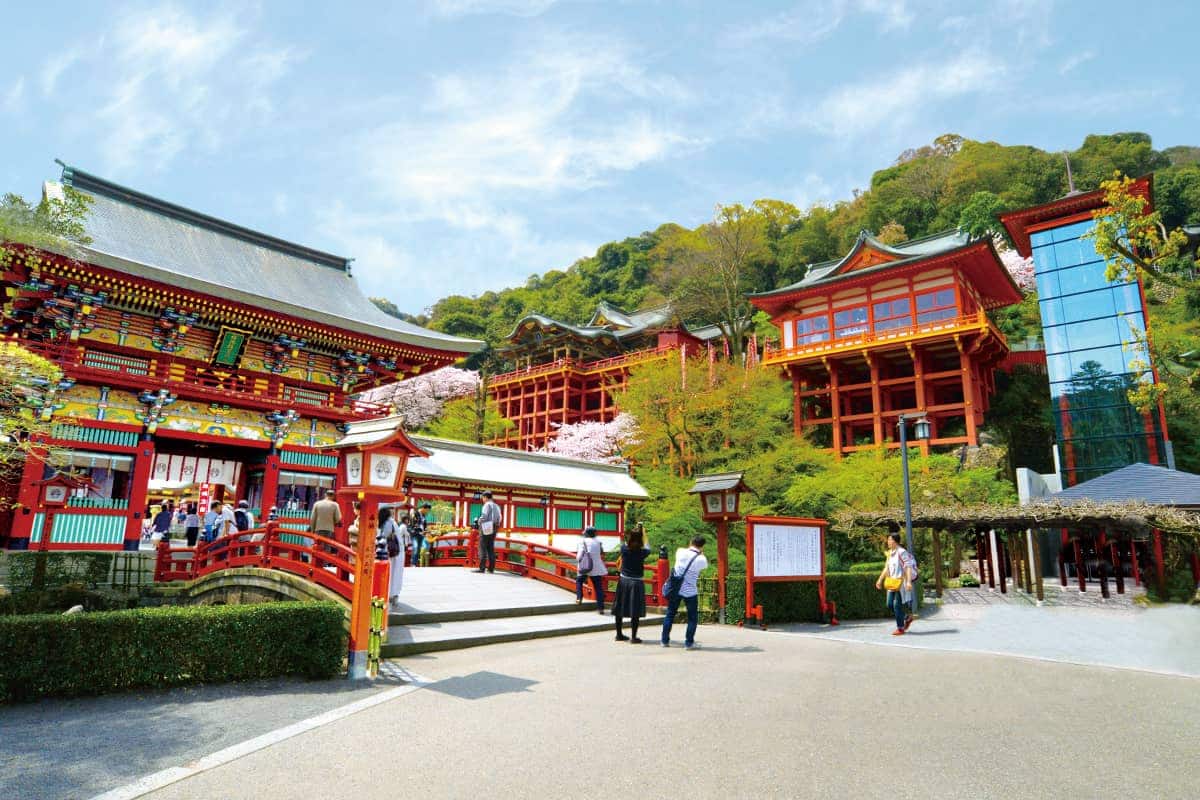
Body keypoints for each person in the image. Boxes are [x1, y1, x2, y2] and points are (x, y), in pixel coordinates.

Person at [661, 535, 709, 650]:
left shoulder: (680, 552)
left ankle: (664, 640)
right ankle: (688, 643)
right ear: (702, 546)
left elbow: (683, 552)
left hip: (676, 590)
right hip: (690, 591)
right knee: (692, 618)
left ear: (691, 542)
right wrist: (700, 553)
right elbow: (705, 566)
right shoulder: (701, 559)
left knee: (670, 614)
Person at [613, 524, 651, 642]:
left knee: (619, 607)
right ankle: (634, 637)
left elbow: (626, 541)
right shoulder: (643, 552)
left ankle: (619, 634)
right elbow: (647, 545)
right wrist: (643, 533)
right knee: (635, 610)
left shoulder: (624, 549)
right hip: (637, 583)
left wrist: (635, 530)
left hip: (624, 581)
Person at [876, 533, 915, 636]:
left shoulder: (902, 552)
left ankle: (900, 628)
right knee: (889, 604)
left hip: (900, 583)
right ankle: (907, 617)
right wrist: (880, 580)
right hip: (891, 582)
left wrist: (908, 582)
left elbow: (908, 566)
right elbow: (886, 568)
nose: (888, 542)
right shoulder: (889, 553)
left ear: (895, 541)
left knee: (896, 605)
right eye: (888, 540)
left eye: (890, 540)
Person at [378, 507, 411, 610]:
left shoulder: (387, 523)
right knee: (395, 574)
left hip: (391, 553)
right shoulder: (391, 522)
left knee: (391, 574)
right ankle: (393, 595)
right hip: (396, 552)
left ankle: (390, 595)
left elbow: (384, 536)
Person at [574, 527, 607, 614]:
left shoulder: (582, 542)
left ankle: (579, 598)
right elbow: (601, 554)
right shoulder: (598, 542)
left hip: (585, 566)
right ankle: (601, 608)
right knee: (598, 587)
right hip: (596, 568)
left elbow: (578, 557)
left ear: (586, 534)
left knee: (579, 581)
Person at [475, 490, 502, 574]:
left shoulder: (487, 505)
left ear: (486, 497)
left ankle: (482, 568)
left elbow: (484, 516)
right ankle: (491, 568)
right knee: (490, 547)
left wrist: (478, 522)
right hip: (495, 527)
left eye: (483, 497)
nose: (482, 499)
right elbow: (500, 518)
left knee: (482, 546)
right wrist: (496, 525)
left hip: (486, 526)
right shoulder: (497, 506)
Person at [410, 502, 431, 567]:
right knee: (415, 547)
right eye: (427, 510)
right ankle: (413, 564)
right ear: (423, 508)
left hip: (421, 534)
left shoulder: (424, 515)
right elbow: (413, 524)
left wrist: (426, 531)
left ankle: (415, 563)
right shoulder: (415, 513)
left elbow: (424, 525)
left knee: (418, 549)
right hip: (415, 533)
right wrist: (419, 530)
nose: (427, 512)